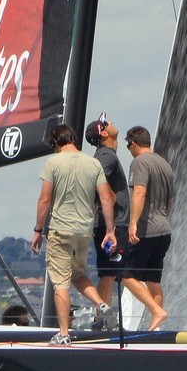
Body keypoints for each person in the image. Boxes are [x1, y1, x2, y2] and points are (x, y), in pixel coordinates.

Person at [31, 124, 117, 345]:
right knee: (78, 274)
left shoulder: (53, 163)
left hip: (60, 230)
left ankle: (63, 333)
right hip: (84, 231)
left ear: (56, 143)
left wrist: (38, 230)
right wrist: (110, 231)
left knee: (60, 282)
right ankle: (102, 304)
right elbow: (107, 198)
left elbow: (44, 200)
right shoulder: (93, 163)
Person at [122, 125, 174, 331]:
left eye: (128, 145)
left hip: (147, 229)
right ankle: (156, 328)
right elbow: (171, 199)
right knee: (153, 279)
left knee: (126, 275)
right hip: (164, 228)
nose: (129, 149)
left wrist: (133, 223)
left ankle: (156, 311)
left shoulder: (140, 162)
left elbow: (140, 193)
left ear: (134, 144)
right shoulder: (164, 164)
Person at [86, 114, 130, 323]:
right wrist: (109, 198)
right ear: (103, 133)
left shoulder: (106, 154)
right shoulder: (107, 156)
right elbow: (94, 181)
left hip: (107, 222)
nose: (112, 123)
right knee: (110, 272)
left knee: (110, 272)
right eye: (107, 123)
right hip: (110, 224)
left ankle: (101, 318)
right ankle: (101, 319)